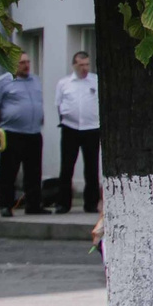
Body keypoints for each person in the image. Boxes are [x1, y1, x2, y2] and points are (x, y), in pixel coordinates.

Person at [0, 52, 44, 214]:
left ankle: (34, 206)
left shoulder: (35, 80)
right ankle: (6, 205)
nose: (26, 65)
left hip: (33, 133)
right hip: (12, 133)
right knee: (8, 172)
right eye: (21, 63)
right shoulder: (3, 82)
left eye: (27, 62)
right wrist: (8, 120)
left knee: (34, 172)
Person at [54, 51, 101, 213]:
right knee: (67, 167)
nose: (84, 68)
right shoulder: (64, 83)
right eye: (81, 65)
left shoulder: (95, 81)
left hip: (92, 128)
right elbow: (58, 105)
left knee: (92, 168)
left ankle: (91, 204)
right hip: (70, 128)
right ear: (74, 65)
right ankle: (63, 203)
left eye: (87, 64)